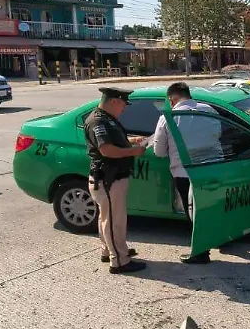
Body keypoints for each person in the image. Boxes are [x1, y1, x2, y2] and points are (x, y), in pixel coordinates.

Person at [84, 87, 148, 274]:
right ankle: (119, 261)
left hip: (110, 176)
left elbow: (115, 141)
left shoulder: (107, 119)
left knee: (108, 217)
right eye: (123, 104)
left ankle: (109, 250)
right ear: (113, 101)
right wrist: (133, 151)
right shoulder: (98, 121)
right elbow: (107, 150)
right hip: (108, 177)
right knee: (114, 220)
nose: (124, 108)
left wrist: (132, 140)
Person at [153, 82, 219, 264]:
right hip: (212, 168)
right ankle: (216, 240)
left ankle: (200, 252)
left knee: (192, 211)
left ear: (172, 100)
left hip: (184, 172)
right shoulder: (209, 110)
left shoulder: (168, 117)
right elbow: (218, 135)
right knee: (210, 208)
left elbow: (159, 152)